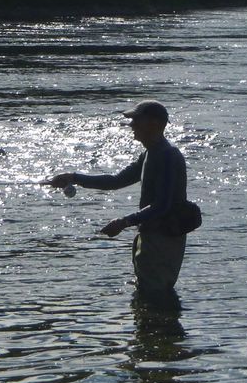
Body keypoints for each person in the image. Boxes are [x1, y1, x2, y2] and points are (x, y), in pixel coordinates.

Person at [47, 100, 189, 295]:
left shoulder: (167, 156)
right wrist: (73, 177)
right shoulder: (150, 154)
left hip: (164, 238)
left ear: (155, 124)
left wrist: (124, 222)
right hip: (151, 236)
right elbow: (115, 181)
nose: (131, 125)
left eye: (137, 120)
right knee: (147, 292)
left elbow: (162, 205)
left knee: (156, 295)